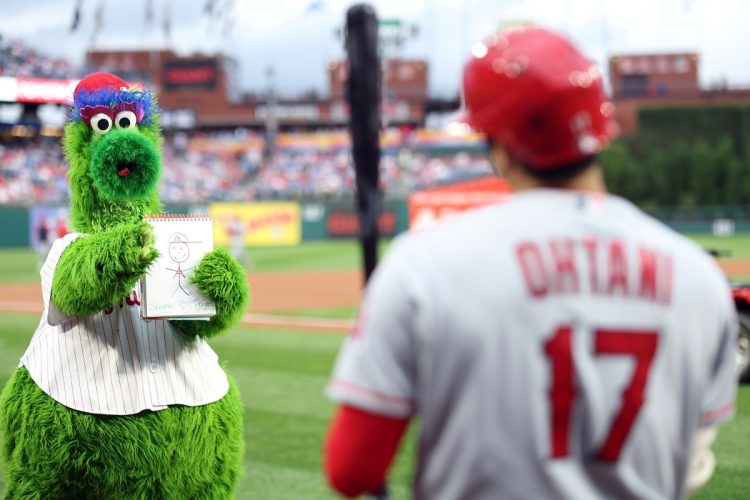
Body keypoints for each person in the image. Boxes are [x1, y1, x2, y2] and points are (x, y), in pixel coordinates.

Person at [323, 27, 738, 499]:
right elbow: (692, 463)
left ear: (496, 143)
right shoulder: (697, 277)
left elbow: (351, 470)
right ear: (599, 130)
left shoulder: (425, 264)